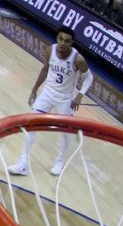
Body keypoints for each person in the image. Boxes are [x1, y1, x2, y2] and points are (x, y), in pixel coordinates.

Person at [7, 28, 93, 176]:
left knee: (65, 132)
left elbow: (89, 78)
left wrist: (80, 95)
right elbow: (45, 69)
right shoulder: (50, 50)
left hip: (65, 98)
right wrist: (34, 90)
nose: (62, 43)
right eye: (60, 39)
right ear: (57, 38)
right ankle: (23, 164)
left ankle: (59, 161)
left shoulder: (78, 59)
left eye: (67, 41)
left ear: (72, 43)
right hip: (47, 93)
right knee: (31, 125)